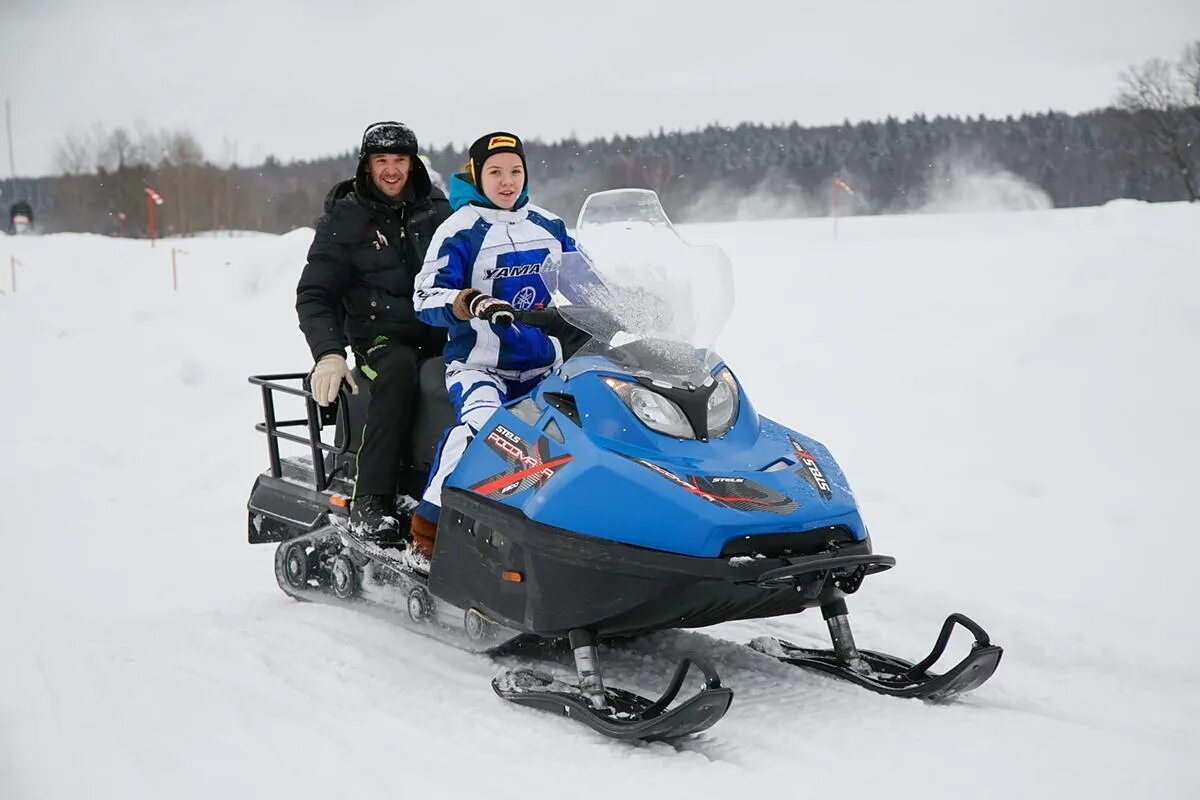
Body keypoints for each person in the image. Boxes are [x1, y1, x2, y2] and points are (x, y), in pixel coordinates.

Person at [409, 131, 576, 570]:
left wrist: (630, 299)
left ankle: (570, 535)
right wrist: (467, 302)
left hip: (545, 365)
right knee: (485, 432)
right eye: (495, 172)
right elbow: (425, 297)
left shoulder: (548, 224)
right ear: (477, 176)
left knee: (585, 437)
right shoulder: (460, 228)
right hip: (480, 367)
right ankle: (427, 528)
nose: (507, 182)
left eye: (515, 171)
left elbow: (585, 282)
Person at [296, 121, 451, 542]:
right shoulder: (346, 219)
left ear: (412, 164)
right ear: (367, 165)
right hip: (379, 337)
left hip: (439, 330)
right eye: (381, 160)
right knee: (399, 370)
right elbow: (314, 293)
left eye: (399, 160)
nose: (391, 170)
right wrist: (328, 352)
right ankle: (371, 500)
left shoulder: (438, 211)